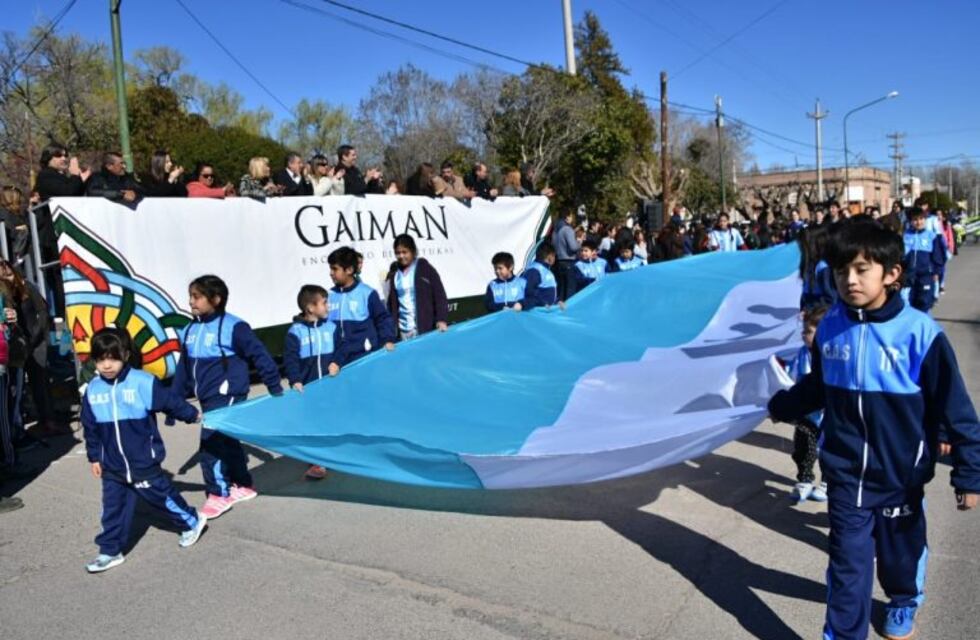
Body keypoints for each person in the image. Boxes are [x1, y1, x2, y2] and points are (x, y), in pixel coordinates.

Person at [768, 219, 980, 640]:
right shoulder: (830, 325)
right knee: (849, 564)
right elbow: (818, 385)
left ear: (892, 274)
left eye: (862, 269)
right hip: (845, 474)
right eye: (842, 270)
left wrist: (969, 474)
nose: (850, 280)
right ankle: (844, 635)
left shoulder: (920, 334)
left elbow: (956, 409)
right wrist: (781, 404)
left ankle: (902, 601)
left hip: (900, 476)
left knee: (899, 557)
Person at [82, 328, 208, 573]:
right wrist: (94, 456)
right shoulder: (93, 389)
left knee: (160, 497)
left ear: (126, 355)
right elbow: (90, 427)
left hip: (143, 460)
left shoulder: (142, 382)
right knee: (112, 507)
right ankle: (109, 551)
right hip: (112, 465)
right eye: (100, 359)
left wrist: (191, 414)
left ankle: (192, 520)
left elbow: (170, 402)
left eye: (113, 358)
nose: (107, 365)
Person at [170, 275, 282, 519]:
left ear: (216, 299)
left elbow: (259, 354)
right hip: (207, 397)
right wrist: (173, 403)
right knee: (228, 442)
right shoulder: (189, 330)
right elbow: (183, 370)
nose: (191, 302)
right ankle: (243, 484)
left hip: (229, 394)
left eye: (197, 297)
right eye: (190, 296)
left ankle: (219, 494)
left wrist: (273, 384)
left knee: (211, 444)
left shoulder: (234, 327)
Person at [283, 284, 342, 481]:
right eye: (324, 303)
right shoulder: (295, 332)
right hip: (308, 391)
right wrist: (295, 380)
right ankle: (317, 462)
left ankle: (335, 453)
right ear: (310, 308)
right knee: (312, 425)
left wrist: (336, 362)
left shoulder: (332, 328)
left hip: (331, 389)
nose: (328, 307)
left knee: (331, 421)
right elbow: (290, 359)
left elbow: (341, 350)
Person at [0, 259, 58, 441]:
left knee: (39, 380)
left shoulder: (27, 287)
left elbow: (42, 312)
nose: (7, 276)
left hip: (36, 340)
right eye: (4, 274)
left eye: (9, 272)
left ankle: (49, 421)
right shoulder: (7, 293)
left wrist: (36, 336)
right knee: (23, 385)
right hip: (21, 344)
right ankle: (32, 423)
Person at [786, 304, 829, 503]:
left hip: (829, 416)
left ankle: (828, 483)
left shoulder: (831, 354)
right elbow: (791, 377)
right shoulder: (801, 353)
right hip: (807, 414)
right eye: (803, 331)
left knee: (830, 451)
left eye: (809, 332)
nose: (804, 335)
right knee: (803, 447)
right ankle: (804, 479)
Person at [327, 247, 395, 362]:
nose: (331, 273)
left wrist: (387, 339)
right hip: (339, 361)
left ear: (348, 270)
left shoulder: (367, 293)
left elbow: (383, 319)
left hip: (365, 357)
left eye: (335, 269)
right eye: (330, 269)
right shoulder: (329, 295)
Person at [384, 235, 449, 340]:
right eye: (398, 253)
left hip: (424, 329)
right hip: (403, 332)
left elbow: (440, 295)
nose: (401, 256)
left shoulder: (425, 269)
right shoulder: (394, 274)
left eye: (405, 252)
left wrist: (441, 319)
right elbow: (391, 306)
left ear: (413, 251)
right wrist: (391, 330)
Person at [902, 207, 946, 313]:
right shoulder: (905, 236)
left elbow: (938, 256)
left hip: (926, 275)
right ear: (910, 221)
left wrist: (936, 272)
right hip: (909, 275)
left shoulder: (931, 236)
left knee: (924, 302)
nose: (918, 222)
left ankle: (924, 323)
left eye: (921, 219)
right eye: (915, 220)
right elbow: (900, 255)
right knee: (906, 302)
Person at [798, 226, 837, 310]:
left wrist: (811, 310)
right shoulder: (809, 264)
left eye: (804, 244)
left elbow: (831, 299)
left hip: (820, 316)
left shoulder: (823, 267)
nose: (801, 247)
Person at [551, 210, 580, 302]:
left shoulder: (556, 230)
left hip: (558, 261)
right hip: (569, 260)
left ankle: (560, 309)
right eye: (571, 216)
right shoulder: (567, 229)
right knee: (570, 289)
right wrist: (579, 243)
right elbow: (573, 247)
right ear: (567, 217)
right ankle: (568, 311)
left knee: (562, 288)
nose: (572, 219)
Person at [521, 242, 559, 310]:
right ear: (549, 256)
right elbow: (528, 291)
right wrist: (543, 303)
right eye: (554, 256)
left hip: (546, 312)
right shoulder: (535, 270)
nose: (555, 259)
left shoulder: (545, 270)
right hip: (537, 314)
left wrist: (557, 302)